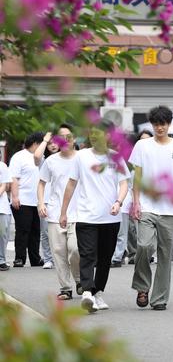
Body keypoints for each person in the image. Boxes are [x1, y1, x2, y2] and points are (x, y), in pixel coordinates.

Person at [61, 123, 129, 313]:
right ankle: (87, 293)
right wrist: (63, 212)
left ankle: (98, 292)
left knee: (105, 258)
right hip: (86, 216)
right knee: (87, 254)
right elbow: (71, 184)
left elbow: (124, 184)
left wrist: (119, 201)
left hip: (110, 217)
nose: (93, 137)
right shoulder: (81, 156)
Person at [130, 106, 173, 311]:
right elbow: (136, 175)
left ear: (168, 124)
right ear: (152, 125)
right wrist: (135, 201)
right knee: (144, 246)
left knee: (166, 255)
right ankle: (142, 287)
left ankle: (160, 298)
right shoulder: (142, 145)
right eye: (156, 124)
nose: (159, 127)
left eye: (163, 124)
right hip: (146, 205)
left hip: (170, 209)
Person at [37, 124, 81, 299]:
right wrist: (41, 203)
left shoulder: (82, 158)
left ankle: (79, 279)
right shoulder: (51, 161)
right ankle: (65, 288)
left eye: (68, 136)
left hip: (79, 213)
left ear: (74, 138)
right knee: (59, 251)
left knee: (75, 249)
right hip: (55, 213)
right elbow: (41, 183)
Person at [9, 132, 45, 267]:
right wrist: (15, 197)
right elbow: (14, 178)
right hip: (22, 200)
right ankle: (19, 258)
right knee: (23, 230)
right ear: (36, 143)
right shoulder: (19, 157)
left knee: (36, 231)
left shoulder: (41, 157)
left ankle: (35, 259)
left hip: (37, 201)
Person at [34, 131, 60, 269]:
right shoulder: (45, 161)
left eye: (56, 142)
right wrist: (45, 140)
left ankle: (63, 258)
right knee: (45, 232)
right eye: (50, 144)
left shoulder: (68, 158)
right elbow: (36, 156)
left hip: (64, 200)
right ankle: (48, 258)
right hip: (47, 201)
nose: (53, 145)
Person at [0, 160, 12, 271]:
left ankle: (1, 260)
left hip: (2, 208)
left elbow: (5, 185)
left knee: (3, 234)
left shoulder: (2, 166)